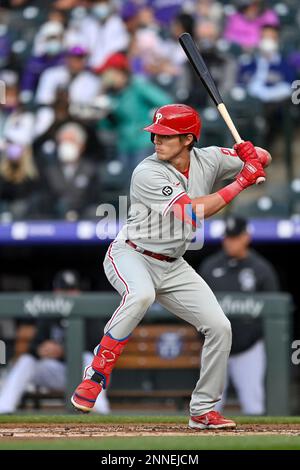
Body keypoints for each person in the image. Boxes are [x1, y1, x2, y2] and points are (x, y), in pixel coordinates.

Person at [71, 103, 270, 430]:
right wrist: (240, 183)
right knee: (141, 296)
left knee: (219, 327)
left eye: (165, 136)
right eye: (155, 135)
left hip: (173, 264)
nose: (156, 141)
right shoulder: (147, 171)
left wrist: (252, 153)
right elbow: (191, 213)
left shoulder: (209, 158)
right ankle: (97, 371)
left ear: (189, 139)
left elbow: (265, 158)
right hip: (132, 253)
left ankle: (203, 409)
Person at [198, 216, 279, 415]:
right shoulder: (209, 267)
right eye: (227, 237)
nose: (230, 242)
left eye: (235, 237)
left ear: (246, 237)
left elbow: (274, 310)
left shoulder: (261, 269)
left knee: (253, 406)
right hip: (214, 347)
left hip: (248, 349)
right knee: (207, 408)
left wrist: (252, 336)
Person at [0, 270, 110, 415]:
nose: (67, 294)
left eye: (71, 290)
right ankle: (4, 408)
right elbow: (33, 346)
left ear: (78, 291)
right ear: (56, 291)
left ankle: (99, 409)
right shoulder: (49, 313)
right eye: (63, 290)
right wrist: (40, 350)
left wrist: (63, 350)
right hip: (56, 372)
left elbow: (98, 347)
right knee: (27, 361)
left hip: (81, 374)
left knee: (88, 358)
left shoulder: (89, 314)